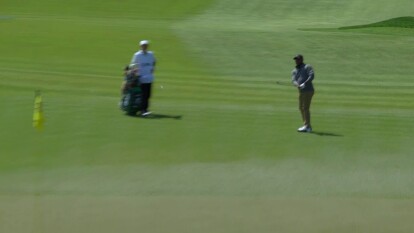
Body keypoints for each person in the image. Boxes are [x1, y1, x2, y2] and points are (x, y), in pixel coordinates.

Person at [131, 40, 156, 117]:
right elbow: (133, 65)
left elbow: (154, 62)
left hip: (149, 78)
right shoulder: (137, 55)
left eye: (145, 45)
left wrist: (152, 68)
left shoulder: (151, 54)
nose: (144, 47)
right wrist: (135, 71)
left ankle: (145, 109)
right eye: (143, 45)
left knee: (148, 95)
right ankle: (143, 110)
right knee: (143, 95)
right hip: (141, 78)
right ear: (140, 46)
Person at [291, 54, 315, 133]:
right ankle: (306, 125)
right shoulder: (295, 70)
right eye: (295, 60)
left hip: (308, 90)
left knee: (305, 108)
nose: (296, 61)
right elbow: (293, 80)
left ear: (301, 60)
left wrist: (305, 83)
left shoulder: (307, 67)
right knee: (301, 108)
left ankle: (307, 126)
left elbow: (311, 75)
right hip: (301, 92)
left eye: (298, 59)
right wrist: (297, 84)